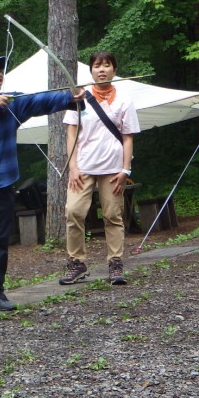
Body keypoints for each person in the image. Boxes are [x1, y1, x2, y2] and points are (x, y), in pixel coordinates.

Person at [0, 55, 85, 314]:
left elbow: (40, 100)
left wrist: (70, 98)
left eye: (0, 70)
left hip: (3, 183)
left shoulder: (13, 101)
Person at [58, 51, 140, 286]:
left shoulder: (124, 101)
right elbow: (71, 132)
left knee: (113, 216)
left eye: (106, 65)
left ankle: (115, 262)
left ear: (114, 70)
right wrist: (72, 167)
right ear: (91, 71)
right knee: (73, 212)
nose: (101, 69)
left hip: (113, 169)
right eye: (97, 66)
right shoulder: (79, 98)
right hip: (83, 166)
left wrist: (126, 170)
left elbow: (127, 138)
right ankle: (77, 263)